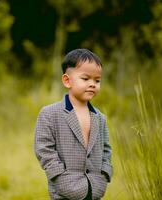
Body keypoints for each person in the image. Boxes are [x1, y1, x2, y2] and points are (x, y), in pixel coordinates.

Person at [34, 49, 113, 200]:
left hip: (94, 189)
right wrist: (58, 175)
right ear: (67, 80)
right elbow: (43, 148)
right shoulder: (50, 113)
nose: (92, 84)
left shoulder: (100, 118)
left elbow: (106, 149)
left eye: (97, 80)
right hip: (64, 190)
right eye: (85, 79)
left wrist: (103, 175)